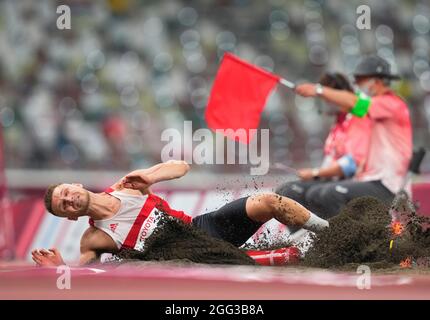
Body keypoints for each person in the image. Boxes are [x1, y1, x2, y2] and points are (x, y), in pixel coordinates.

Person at [31, 160, 328, 266]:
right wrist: (60, 270)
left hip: (203, 227)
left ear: (76, 184)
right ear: (70, 217)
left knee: (268, 201)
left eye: (66, 192)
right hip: (190, 258)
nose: (69, 199)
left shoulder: (128, 185)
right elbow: (88, 276)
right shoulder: (94, 238)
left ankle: (328, 230)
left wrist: (151, 178)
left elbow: (182, 166)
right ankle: (278, 258)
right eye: (64, 205)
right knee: (288, 257)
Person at [286, 55, 412, 219]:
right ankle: (315, 241)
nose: (357, 85)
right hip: (370, 180)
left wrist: (318, 90)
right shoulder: (369, 112)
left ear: (377, 81)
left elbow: (356, 105)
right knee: (308, 194)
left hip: (389, 185)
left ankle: (340, 242)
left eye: (360, 80)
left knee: (327, 195)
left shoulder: (391, 104)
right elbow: (352, 104)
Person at [276, 72, 372, 210]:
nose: (323, 103)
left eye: (325, 98)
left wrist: (315, 173)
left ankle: (329, 231)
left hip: (356, 182)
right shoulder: (338, 122)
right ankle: (309, 231)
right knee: (287, 192)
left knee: (319, 194)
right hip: (335, 181)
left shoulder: (360, 116)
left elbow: (351, 165)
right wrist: (314, 175)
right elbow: (331, 160)